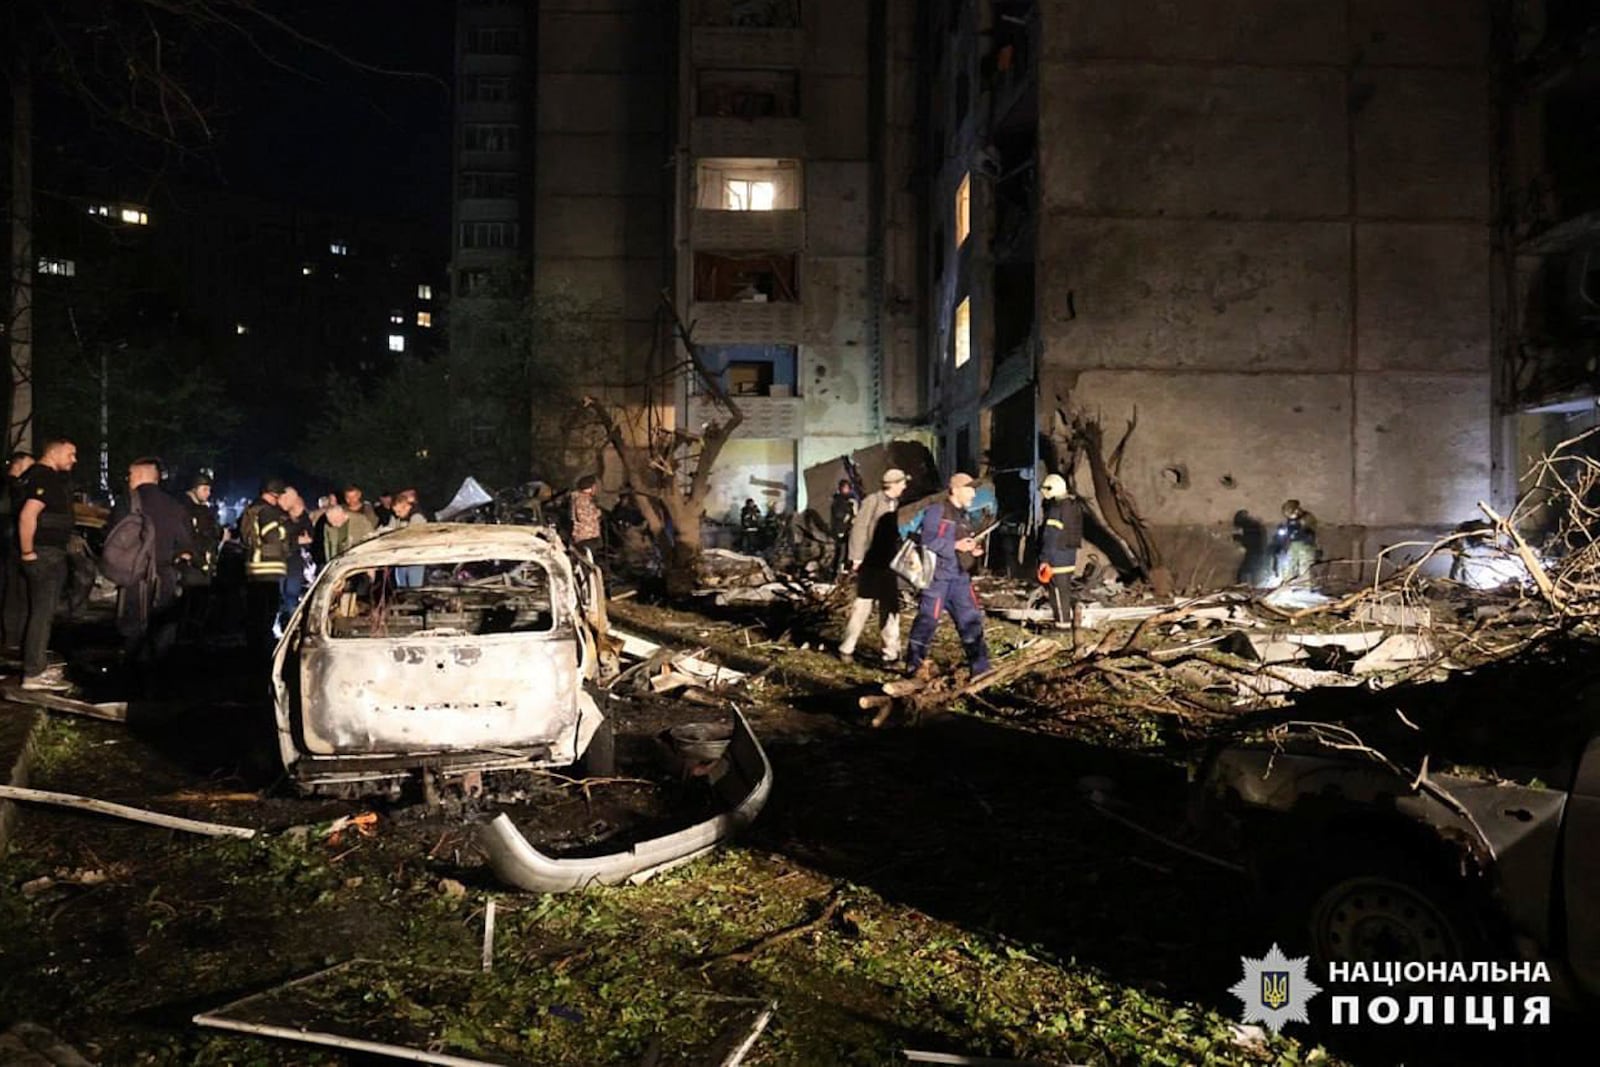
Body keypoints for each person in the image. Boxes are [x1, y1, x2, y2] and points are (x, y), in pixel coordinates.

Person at [111, 458, 195, 687]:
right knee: (163, 632)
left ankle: (129, 683)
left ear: (139, 475)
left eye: (130, 474)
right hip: (165, 578)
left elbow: (111, 538)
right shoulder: (175, 506)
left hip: (133, 578)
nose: (128, 479)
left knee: (132, 632)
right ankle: (158, 682)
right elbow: (186, 545)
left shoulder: (126, 503)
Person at [904, 472, 992, 679]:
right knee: (928, 621)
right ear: (955, 490)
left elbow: (961, 543)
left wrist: (972, 550)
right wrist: (955, 545)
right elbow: (927, 541)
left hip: (960, 579)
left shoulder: (964, 515)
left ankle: (981, 670)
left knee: (970, 620)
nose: (973, 494)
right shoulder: (937, 510)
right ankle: (914, 667)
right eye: (970, 489)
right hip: (938, 579)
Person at [16, 439, 78, 690]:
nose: (74, 459)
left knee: (39, 612)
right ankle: (34, 673)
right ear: (54, 452)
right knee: (43, 614)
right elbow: (27, 516)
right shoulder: (45, 478)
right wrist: (28, 553)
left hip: (45, 552)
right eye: (70, 454)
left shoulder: (34, 476)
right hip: (45, 554)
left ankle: (35, 664)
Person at [837, 468, 908, 666]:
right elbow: (859, 528)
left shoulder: (897, 504)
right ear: (893, 484)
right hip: (871, 563)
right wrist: (857, 557)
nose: (905, 486)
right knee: (863, 606)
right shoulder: (873, 501)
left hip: (890, 563)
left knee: (891, 607)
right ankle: (847, 647)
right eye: (902, 482)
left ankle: (891, 652)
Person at [241, 478, 292, 659]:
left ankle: (254, 647)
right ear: (274, 495)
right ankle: (262, 650)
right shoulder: (268, 511)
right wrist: (286, 535)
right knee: (267, 610)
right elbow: (272, 536)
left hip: (255, 566)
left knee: (256, 610)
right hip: (268, 567)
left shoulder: (252, 509)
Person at [1036, 473, 1083, 630]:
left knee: (1056, 591)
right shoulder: (1073, 506)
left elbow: (1050, 536)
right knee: (1065, 590)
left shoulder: (1057, 509)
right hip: (1069, 556)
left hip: (1056, 557)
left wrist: (1044, 559)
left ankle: (1062, 625)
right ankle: (1066, 621)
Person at [2, 451, 35, 651]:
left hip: (9, 546)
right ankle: (13, 638)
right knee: (15, 593)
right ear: (17, 466)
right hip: (11, 546)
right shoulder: (15, 488)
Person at [324, 483, 378, 561]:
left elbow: (372, 528)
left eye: (354, 497)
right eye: (348, 497)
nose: (351, 500)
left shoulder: (367, 510)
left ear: (359, 495)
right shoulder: (341, 510)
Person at [1275, 498, 1319, 582]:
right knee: (1289, 565)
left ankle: (1305, 587)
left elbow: (1311, 530)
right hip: (1293, 545)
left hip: (1306, 546)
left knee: (1305, 568)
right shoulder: (1290, 520)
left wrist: (1301, 528)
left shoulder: (1307, 517)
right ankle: (1289, 585)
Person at [829, 478, 857, 577]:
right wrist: (848, 513)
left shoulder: (850, 500)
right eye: (845, 488)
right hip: (841, 530)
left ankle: (844, 570)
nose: (847, 490)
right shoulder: (839, 501)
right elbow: (839, 515)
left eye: (848, 488)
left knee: (847, 552)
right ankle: (836, 572)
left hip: (848, 530)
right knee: (840, 551)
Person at [570, 475, 603, 559]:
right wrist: (597, 513)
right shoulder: (582, 500)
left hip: (589, 536)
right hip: (586, 537)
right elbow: (583, 517)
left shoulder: (586, 499)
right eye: (595, 486)